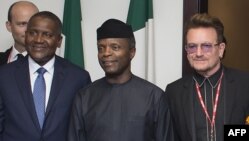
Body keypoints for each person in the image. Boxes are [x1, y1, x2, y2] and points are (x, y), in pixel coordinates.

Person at [68, 19, 174, 141]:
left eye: (115, 47)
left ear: (132, 52)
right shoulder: (84, 98)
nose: (106, 53)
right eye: (101, 48)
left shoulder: (155, 97)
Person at [0, 11, 91, 141]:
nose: (38, 40)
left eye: (47, 34)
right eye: (32, 33)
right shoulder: (4, 76)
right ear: (26, 36)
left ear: (59, 41)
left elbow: (83, 129)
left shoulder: (78, 78)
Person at [165, 13, 249, 141]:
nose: (198, 53)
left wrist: (229, 134)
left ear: (221, 49)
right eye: (192, 47)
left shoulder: (245, 84)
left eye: (206, 46)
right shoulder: (173, 91)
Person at [0, 1, 39, 65]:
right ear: (9, 26)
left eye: (33, 23)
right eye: (22, 24)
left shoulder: (58, 64)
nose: (28, 30)